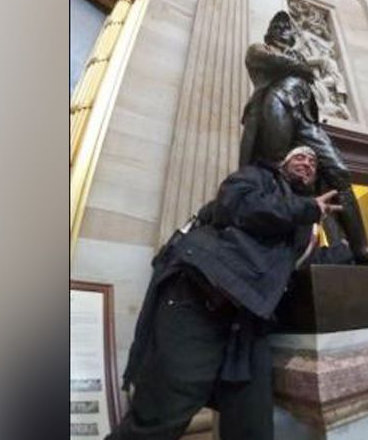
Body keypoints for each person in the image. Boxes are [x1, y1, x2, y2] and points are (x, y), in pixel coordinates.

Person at [107, 146, 342, 440]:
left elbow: (295, 269)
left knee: (252, 428)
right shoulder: (258, 176)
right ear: (282, 162)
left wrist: (347, 249)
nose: (308, 163)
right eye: (300, 157)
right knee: (160, 418)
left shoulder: (305, 223)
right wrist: (308, 209)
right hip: (201, 298)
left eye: (313, 163)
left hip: (248, 319)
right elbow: (237, 205)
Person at [240, 11, 368, 266]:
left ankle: (361, 249)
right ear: (270, 32)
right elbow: (281, 63)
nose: (285, 30)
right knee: (274, 169)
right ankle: (275, 246)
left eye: (288, 28)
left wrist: (303, 67)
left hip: (306, 118)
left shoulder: (296, 55)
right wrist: (302, 68)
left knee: (339, 171)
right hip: (277, 105)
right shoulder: (259, 49)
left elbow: (305, 71)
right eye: (279, 27)